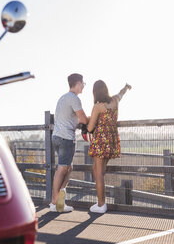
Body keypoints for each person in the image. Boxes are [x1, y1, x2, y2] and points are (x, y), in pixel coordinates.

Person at [87, 80, 131, 213]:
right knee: (98, 170)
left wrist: (89, 120)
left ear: (95, 92)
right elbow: (121, 94)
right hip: (111, 139)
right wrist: (125, 87)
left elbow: (89, 128)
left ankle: (101, 205)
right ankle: (100, 202)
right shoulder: (115, 101)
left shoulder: (98, 107)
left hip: (100, 140)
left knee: (98, 173)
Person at [49, 73, 88, 212]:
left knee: (67, 168)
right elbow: (83, 119)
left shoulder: (63, 98)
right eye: (83, 83)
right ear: (78, 83)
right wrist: (91, 120)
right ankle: (54, 203)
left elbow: (71, 118)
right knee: (62, 169)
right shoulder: (74, 98)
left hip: (57, 136)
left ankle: (59, 199)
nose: (84, 86)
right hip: (66, 138)